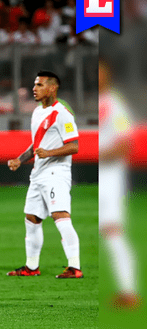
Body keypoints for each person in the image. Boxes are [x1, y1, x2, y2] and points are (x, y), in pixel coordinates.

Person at [6, 71, 82, 279]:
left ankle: (74, 267)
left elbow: (73, 146)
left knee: (60, 215)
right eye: (34, 84)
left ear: (52, 88)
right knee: (31, 218)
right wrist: (19, 160)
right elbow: (35, 146)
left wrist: (49, 153)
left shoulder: (63, 113)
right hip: (38, 174)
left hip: (56, 173)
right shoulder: (38, 112)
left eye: (39, 85)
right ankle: (32, 267)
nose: (34, 88)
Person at [98, 61, 141, 309]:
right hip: (101, 174)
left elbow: (125, 143)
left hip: (112, 175)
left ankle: (129, 291)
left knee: (113, 230)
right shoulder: (99, 103)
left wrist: (97, 155)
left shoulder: (116, 105)